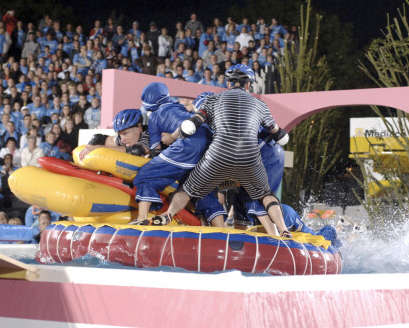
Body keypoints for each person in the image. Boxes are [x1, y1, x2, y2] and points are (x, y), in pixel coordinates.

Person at [151, 65, 291, 237]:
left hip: (217, 158)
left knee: (186, 190)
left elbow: (190, 125)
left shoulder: (213, 100)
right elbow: (280, 135)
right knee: (266, 194)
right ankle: (284, 230)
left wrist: (172, 137)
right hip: (250, 161)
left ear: (228, 84)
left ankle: (168, 214)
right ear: (248, 86)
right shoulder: (260, 105)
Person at [131, 84, 225, 227]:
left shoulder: (155, 116)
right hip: (211, 149)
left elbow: (156, 149)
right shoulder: (180, 107)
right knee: (204, 191)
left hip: (186, 147)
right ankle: (222, 230)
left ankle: (142, 218)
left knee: (145, 176)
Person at [79, 108, 149, 160]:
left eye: (125, 134)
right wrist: (89, 148)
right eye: (120, 134)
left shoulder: (149, 134)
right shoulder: (124, 139)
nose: (122, 140)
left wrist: (100, 148)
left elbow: (137, 150)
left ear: (139, 129)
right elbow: (98, 138)